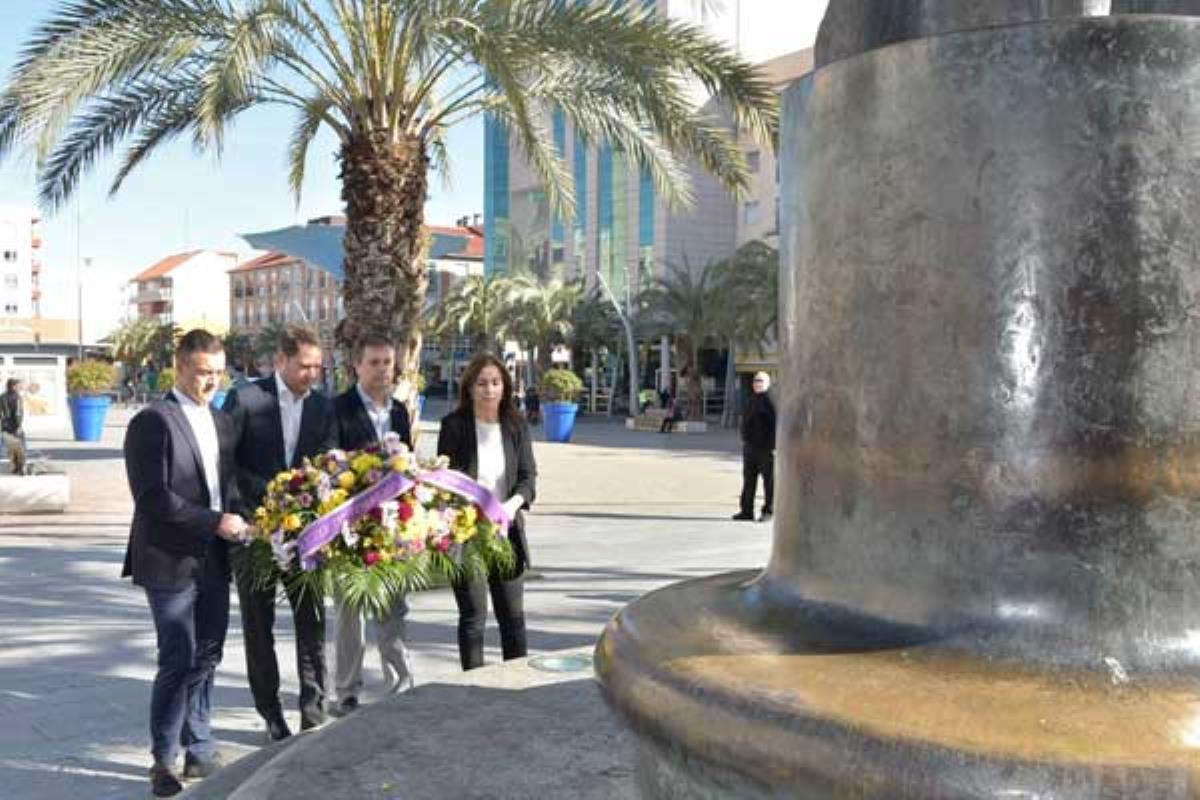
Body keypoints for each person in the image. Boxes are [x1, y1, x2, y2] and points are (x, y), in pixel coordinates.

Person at [121, 329, 247, 798]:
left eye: (217, 373)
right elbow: (152, 497)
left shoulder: (222, 422)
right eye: (201, 373)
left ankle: (199, 744)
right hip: (168, 558)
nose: (209, 382)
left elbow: (227, 486)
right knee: (178, 656)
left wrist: (251, 522)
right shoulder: (151, 422)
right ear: (178, 368)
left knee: (209, 654)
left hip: (214, 556)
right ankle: (163, 759)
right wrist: (216, 521)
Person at [222, 325, 336, 739]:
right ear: (281, 361)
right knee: (258, 625)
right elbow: (225, 462)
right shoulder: (247, 399)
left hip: (306, 536)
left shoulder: (323, 407)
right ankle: (270, 712)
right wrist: (244, 516)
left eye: (317, 367)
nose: (311, 374)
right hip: (254, 533)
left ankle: (313, 709)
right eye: (304, 366)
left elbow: (329, 465)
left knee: (312, 622)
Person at [331, 333, 415, 715]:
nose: (383, 370)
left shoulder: (399, 410)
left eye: (388, 362)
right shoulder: (338, 409)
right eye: (375, 362)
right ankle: (347, 690)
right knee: (351, 611)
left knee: (393, 607)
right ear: (357, 366)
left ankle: (399, 681)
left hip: (393, 526)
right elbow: (330, 466)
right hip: (351, 525)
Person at [437, 353, 537, 670]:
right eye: (482, 383)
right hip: (467, 535)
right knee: (473, 618)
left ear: (505, 387)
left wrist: (510, 506)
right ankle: (472, 688)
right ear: (469, 388)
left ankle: (518, 685)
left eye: (495, 383)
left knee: (513, 619)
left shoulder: (516, 426)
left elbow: (528, 478)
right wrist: (469, 513)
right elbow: (446, 479)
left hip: (506, 531)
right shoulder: (453, 426)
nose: (489, 390)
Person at [734, 371, 776, 522]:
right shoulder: (751, 399)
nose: (757, 383)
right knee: (748, 480)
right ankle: (746, 510)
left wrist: (772, 446)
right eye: (755, 381)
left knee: (769, 481)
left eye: (760, 381)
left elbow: (776, 425)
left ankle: (769, 511)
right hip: (750, 448)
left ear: (767, 383)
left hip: (765, 449)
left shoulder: (771, 401)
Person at [1, 377, 26, 475]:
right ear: (13, 386)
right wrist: (19, 426)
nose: (19, 387)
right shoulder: (17, 397)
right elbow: (18, 413)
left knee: (11, 448)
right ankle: (20, 468)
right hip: (15, 427)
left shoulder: (2, 397)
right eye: (18, 385)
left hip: (5, 427)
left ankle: (14, 468)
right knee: (20, 447)